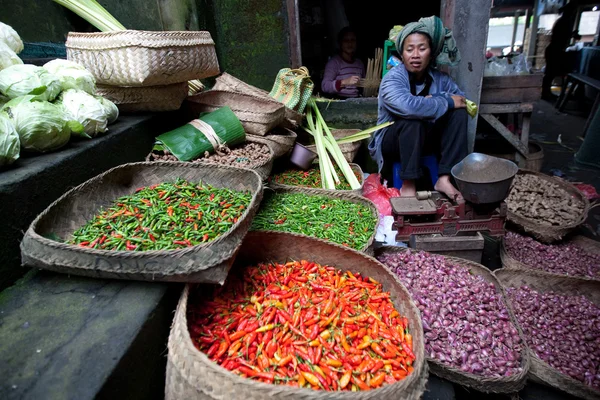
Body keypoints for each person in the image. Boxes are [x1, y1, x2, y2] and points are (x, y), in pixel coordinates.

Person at [368, 16, 468, 200]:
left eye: (422, 49)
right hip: (394, 143)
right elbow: (408, 107)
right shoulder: (392, 79)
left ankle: (444, 178)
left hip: (426, 140)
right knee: (412, 119)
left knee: (459, 113)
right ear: (402, 53)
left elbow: (462, 101)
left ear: (431, 53)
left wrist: (437, 98)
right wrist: (445, 102)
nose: (415, 55)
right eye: (409, 49)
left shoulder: (440, 79)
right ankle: (408, 185)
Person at [542, 1, 579, 100]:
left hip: (555, 50)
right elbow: (560, 37)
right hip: (554, 50)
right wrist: (572, 34)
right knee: (550, 73)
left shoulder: (564, 21)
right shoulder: (563, 22)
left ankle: (546, 92)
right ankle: (544, 93)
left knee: (551, 73)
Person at [321, 27, 365, 98]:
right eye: (346, 40)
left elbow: (364, 86)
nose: (350, 43)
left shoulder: (359, 64)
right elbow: (325, 86)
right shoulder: (334, 63)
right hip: (339, 103)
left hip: (357, 102)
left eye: (353, 40)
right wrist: (344, 82)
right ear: (340, 43)